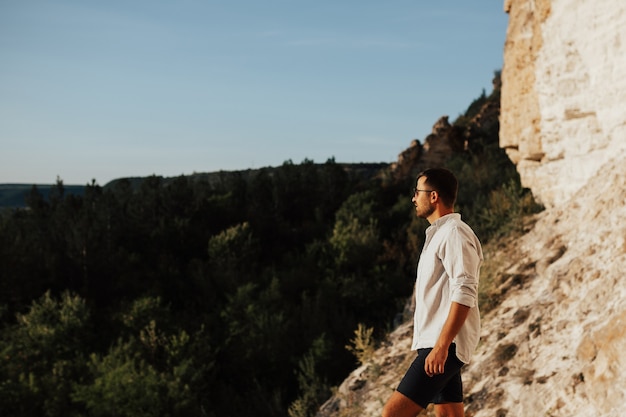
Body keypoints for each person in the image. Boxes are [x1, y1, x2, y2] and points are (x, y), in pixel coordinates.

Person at [382, 168, 483, 417]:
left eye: (417, 192)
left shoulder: (454, 234)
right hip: (438, 344)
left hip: (442, 346)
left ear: (434, 196)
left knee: (392, 414)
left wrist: (441, 346)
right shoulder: (439, 235)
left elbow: (465, 291)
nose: (414, 198)